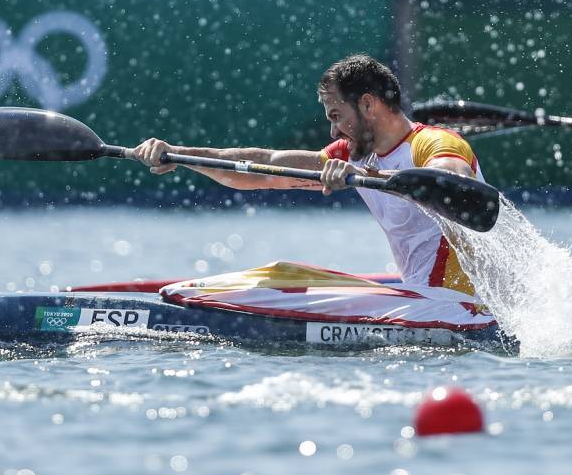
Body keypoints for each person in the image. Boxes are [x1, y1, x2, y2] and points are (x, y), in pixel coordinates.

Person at [132, 54, 484, 295]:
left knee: (280, 283)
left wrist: (372, 177)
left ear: (367, 105)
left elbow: (454, 182)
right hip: (421, 298)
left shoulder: (433, 142)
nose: (333, 132)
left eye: (335, 116)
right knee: (278, 275)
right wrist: (180, 155)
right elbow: (265, 168)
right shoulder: (351, 154)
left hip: (458, 305)